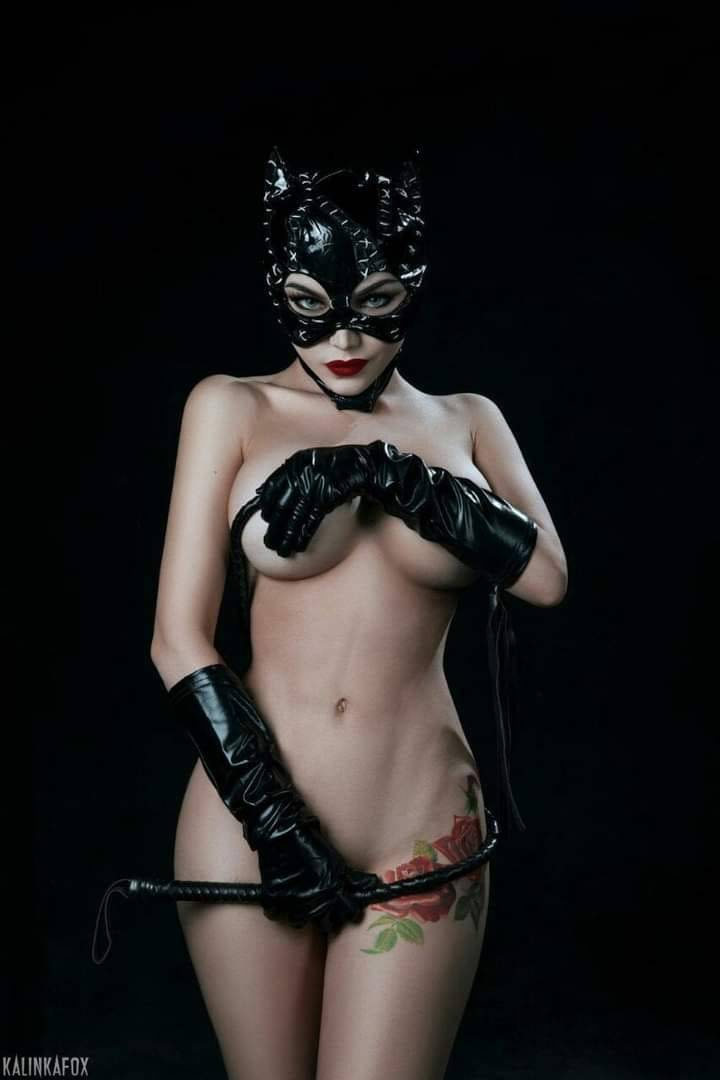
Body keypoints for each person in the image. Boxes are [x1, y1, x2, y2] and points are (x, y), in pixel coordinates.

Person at [147, 143, 568, 1080]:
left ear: (411, 286)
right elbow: (177, 638)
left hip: (419, 818)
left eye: (374, 304)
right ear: (278, 292)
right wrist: (272, 821)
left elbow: (545, 578)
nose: (344, 339)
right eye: (312, 305)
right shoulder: (231, 407)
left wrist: (399, 475)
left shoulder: (466, 421)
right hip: (249, 818)